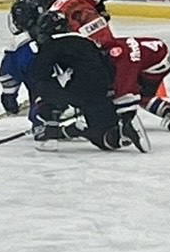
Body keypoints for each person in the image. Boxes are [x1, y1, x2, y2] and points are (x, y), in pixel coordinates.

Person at [50, 0, 170, 134]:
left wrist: (117, 120)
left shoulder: (117, 58)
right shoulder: (106, 47)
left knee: (128, 93)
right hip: (151, 51)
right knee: (127, 90)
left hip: (156, 62)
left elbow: (126, 96)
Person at [25, 9, 122, 152]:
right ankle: (111, 129)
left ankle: (52, 127)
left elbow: (38, 75)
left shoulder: (50, 46)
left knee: (43, 87)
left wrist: (49, 98)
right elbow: (107, 65)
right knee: (106, 139)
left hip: (79, 91)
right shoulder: (86, 40)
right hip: (101, 90)